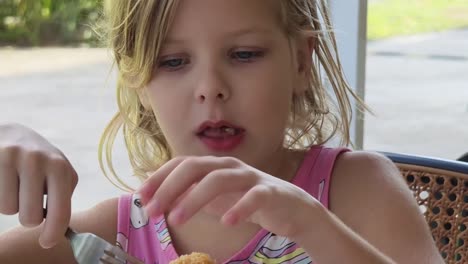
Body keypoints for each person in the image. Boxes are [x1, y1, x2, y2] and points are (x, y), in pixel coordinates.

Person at [0, 0, 444, 263]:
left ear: (302, 62)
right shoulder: (108, 236)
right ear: (138, 84)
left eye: (245, 54)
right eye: (173, 62)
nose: (211, 88)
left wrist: (309, 224)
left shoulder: (359, 192)